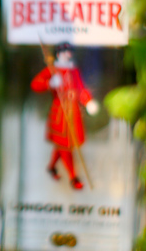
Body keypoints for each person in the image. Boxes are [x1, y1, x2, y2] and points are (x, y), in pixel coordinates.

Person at [31, 42, 99, 189]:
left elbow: (80, 88)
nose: (68, 55)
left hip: (73, 111)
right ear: (59, 54)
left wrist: (87, 101)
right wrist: (50, 83)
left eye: (69, 52)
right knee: (64, 144)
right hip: (60, 112)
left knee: (64, 143)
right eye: (65, 52)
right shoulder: (52, 70)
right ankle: (73, 177)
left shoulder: (74, 70)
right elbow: (35, 84)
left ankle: (51, 167)